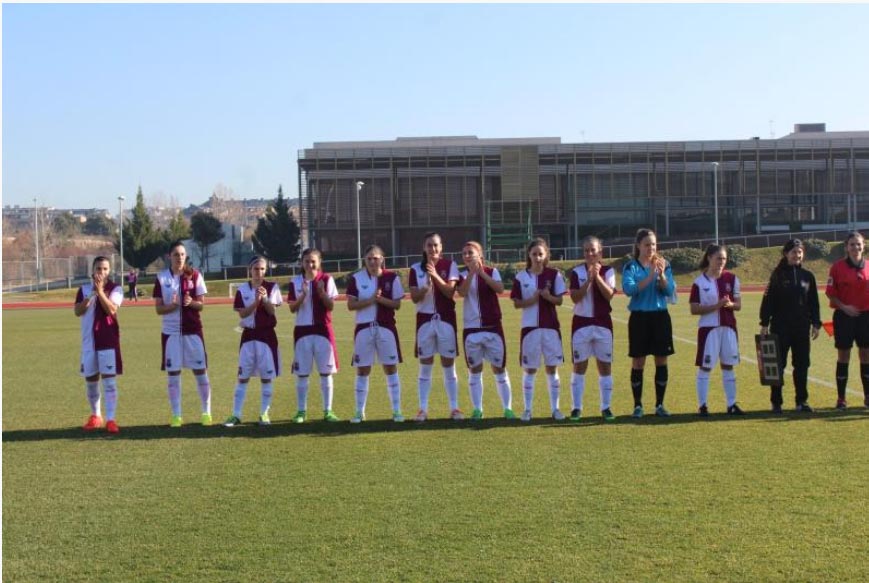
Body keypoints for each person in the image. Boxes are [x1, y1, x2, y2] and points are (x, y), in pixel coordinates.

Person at [153, 241, 213, 427]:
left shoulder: (194, 275)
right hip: (171, 333)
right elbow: (159, 309)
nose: (179, 257)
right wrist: (173, 305)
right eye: (176, 254)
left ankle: (206, 413)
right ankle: (176, 416)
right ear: (169, 256)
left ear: (186, 256)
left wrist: (190, 302)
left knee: (200, 371)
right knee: (173, 373)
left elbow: (201, 305)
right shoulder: (162, 278)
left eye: (182, 254)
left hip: (193, 331)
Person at [759, 239, 821, 413]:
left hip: (801, 328)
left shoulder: (808, 276)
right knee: (777, 365)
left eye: (800, 252)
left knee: (802, 365)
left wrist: (816, 323)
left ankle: (801, 401)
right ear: (786, 254)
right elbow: (768, 300)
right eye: (794, 252)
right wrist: (764, 322)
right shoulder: (777, 275)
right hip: (780, 327)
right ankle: (776, 402)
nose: (797, 255)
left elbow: (814, 302)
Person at [457, 241, 516, 420]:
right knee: (475, 370)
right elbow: (462, 293)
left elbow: (500, 289)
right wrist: (471, 274)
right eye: (465, 253)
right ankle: (478, 409)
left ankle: (507, 408)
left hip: (492, 327)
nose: (467, 256)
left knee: (499, 368)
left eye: (471, 253)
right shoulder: (461, 274)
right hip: (471, 329)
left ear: (480, 256)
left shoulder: (492, 271)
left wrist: (481, 272)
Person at [346, 245, 405, 423]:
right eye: (369, 258)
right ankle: (359, 412)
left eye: (376, 258)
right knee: (363, 369)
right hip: (363, 329)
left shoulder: (391, 277)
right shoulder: (356, 278)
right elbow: (351, 305)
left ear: (382, 259)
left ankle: (396, 411)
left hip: (386, 328)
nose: (372, 261)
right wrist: (371, 300)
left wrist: (381, 300)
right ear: (364, 260)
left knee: (390, 367)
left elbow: (397, 304)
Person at [510, 237, 567, 422]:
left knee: (552, 368)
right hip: (530, 329)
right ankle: (527, 410)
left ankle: (555, 409)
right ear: (529, 255)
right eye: (534, 254)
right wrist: (532, 300)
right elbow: (517, 304)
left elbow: (559, 301)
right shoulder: (521, 277)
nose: (537, 257)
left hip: (551, 328)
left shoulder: (554, 275)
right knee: (530, 369)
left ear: (546, 255)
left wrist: (548, 297)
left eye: (541, 254)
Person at [622, 228, 676, 418]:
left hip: (660, 316)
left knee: (661, 359)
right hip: (639, 318)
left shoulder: (664, 265)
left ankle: (659, 404)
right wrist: (651, 275)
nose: (651, 248)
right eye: (647, 244)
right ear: (638, 246)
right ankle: (638, 405)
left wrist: (661, 276)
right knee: (638, 362)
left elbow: (669, 291)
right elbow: (629, 290)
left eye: (653, 244)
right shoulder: (631, 267)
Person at [409, 232, 463, 422]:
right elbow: (414, 297)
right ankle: (422, 409)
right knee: (426, 365)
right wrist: (424, 289)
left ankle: (454, 408)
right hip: (424, 322)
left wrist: (435, 277)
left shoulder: (450, 266)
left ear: (442, 248)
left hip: (446, 321)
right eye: (429, 245)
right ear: (424, 248)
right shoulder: (416, 268)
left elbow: (450, 292)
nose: (433, 249)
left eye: (436, 245)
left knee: (448, 364)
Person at [224, 256, 283, 427]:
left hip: (266, 336)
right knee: (242, 377)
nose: (259, 272)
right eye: (256, 269)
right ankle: (236, 415)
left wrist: (264, 300)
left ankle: (264, 414)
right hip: (248, 336)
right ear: (250, 270)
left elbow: (272, 311)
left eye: (262, 269)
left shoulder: (272, 287)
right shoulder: (243, 290)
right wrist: (255, 303)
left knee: (266, 378)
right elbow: (242, 314)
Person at [689, 244, 744, 416]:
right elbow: (694, 309)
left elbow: (738, 306)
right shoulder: (699, 282)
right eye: (718, 258)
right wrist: (717, 306)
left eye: (724, 258)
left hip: (728, 328)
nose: (722, 262)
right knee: (705, 367)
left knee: (728, 365)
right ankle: (703, 405)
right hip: (708, 329)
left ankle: (731, 404)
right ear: (709, 258)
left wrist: (729, 305)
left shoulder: (732, 279)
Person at [287, 248, 340, 423]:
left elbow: (331, 306)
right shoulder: (295, 282)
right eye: (306, 261)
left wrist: (322, 292)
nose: (310, 265)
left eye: (313, 261)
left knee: (326, 373)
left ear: (319, 262)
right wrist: (302, 294)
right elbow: (293, 308)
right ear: (301, 263)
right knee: (302, 374)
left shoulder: (326, 279)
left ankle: (328, 411)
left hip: (323, 330)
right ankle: (301, 412)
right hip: (302, 331)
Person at [567, 236, 616, 422]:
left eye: (593, 250)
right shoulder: (576, 272)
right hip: (581, 324)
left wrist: (597, 278)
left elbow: (609, 295)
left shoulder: (609, 271)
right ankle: (576, 408)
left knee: (605, 366)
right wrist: (588, 280)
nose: (589, 254)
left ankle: (606, 407)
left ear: (600, 252)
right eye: (586, 250)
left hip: (603, 324)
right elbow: (575, 298)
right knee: (579, 365)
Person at [75, 256, 124, 434]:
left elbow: (111, 309)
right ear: (92, 271)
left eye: (104, 269)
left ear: (109, 271)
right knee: (91, 381)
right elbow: (77, 311)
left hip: (108, 341)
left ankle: (110, 419)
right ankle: (96, 416)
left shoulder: (115, 289)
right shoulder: (83, 289)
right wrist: (91, 294)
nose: (101, 272)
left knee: (109, 382)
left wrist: (101, 292)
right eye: (98, 269)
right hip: (89, 343)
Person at [825, 231, 869, 410]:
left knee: (865, 355)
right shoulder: (837, 267)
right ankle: (841, 398)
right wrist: (845, 307)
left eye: (858, 244)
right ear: (846, 247)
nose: (855, 247)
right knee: (844, 356)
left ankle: (867, 397)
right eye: (852, 244)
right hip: (844, 317)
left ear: (863, 245)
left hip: (866, 317)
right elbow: (830, 293)